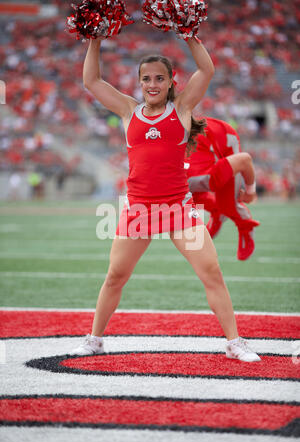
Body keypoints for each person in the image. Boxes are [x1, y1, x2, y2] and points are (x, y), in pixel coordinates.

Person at [71, 35, 260, 362]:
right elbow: (91, 80)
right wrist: (95, 40)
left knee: (211, 273)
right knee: (115, 276)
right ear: (139, 82)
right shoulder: (128, 109)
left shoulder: (183, 108)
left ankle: (235, 342)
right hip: (139, 210)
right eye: (146, 78)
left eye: (160, 78)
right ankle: (95, 339)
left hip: (178, 209)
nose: (152, 84)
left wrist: (190, 35)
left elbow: (207, 69)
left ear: (171, 81)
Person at [185, 117, 260, 261]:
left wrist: (250, 192)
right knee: (194, 199)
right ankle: (217, 211)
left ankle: (244, 226)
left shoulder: (208, 176)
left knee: (228, 204)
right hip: (197, 145)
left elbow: (244, 159)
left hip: (224, 137)